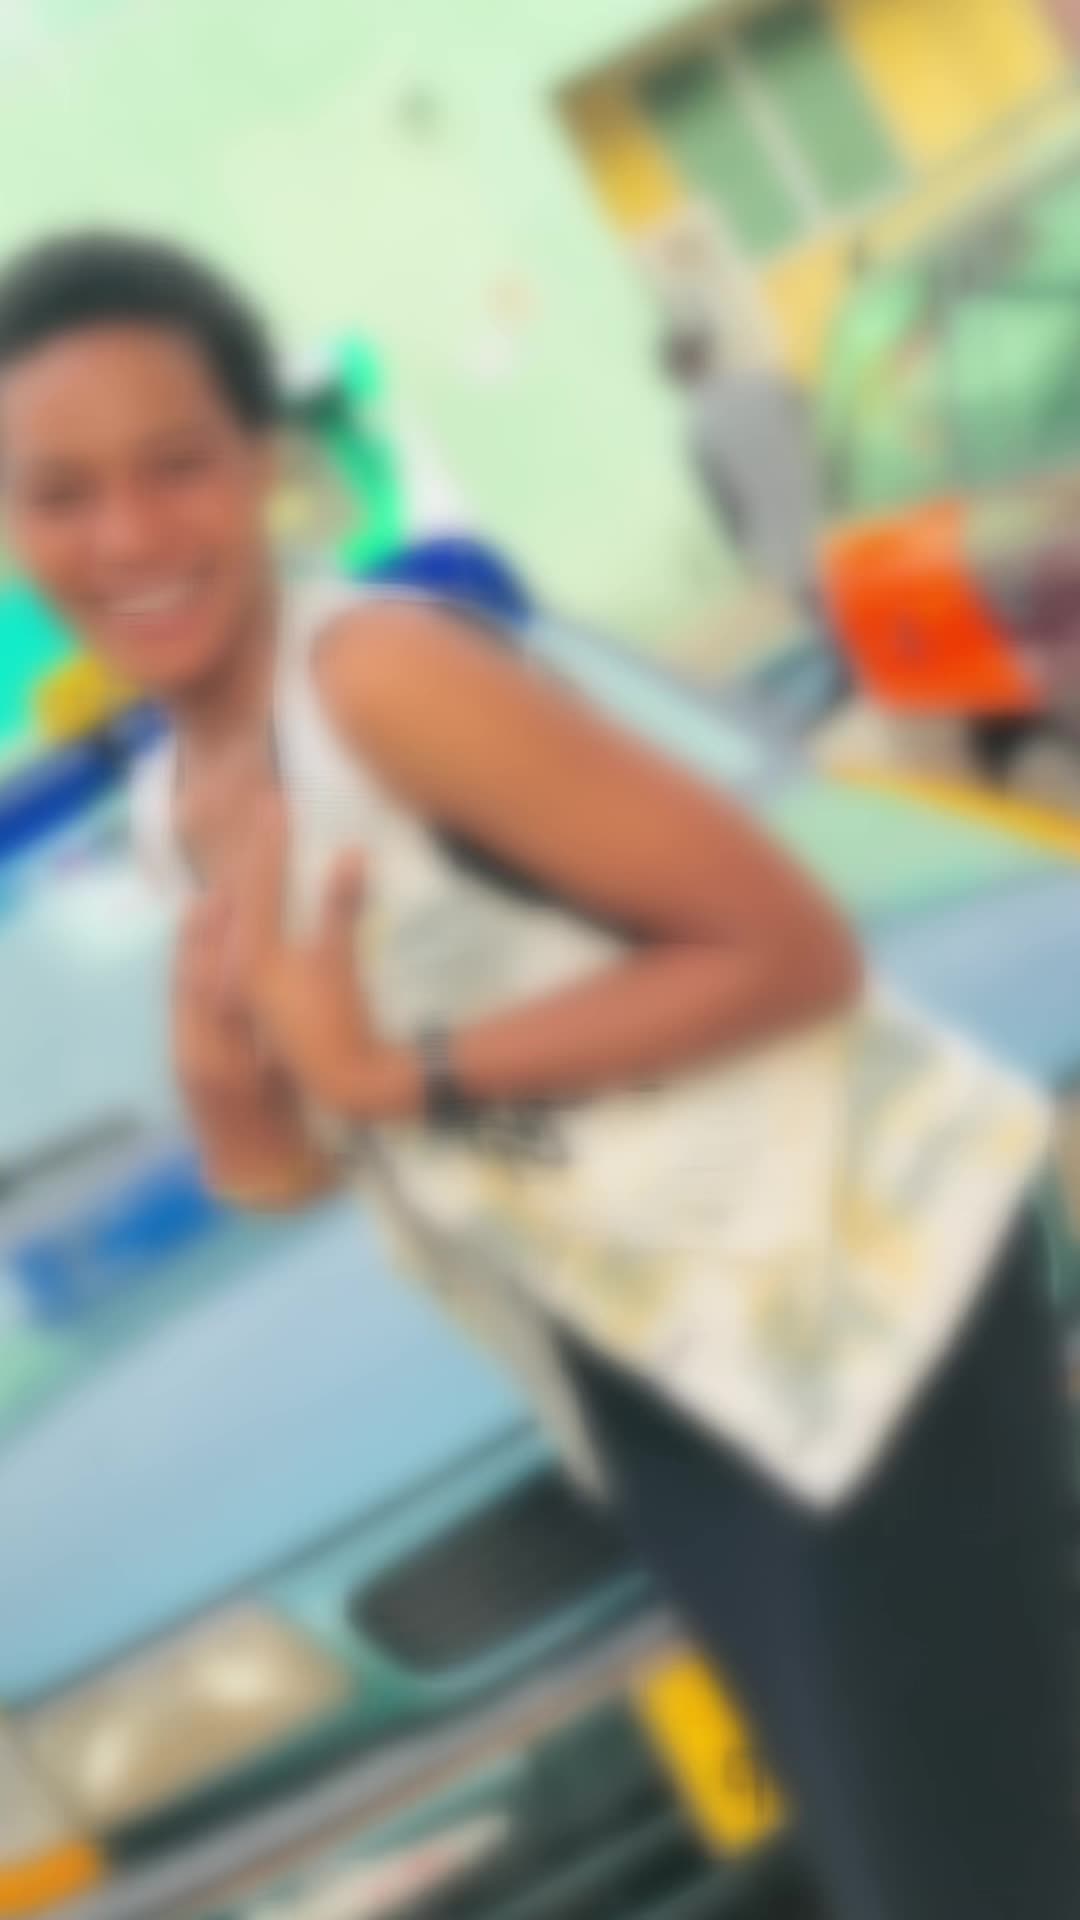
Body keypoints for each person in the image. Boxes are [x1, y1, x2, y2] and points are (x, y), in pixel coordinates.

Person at [0, 232, 1074, 1920]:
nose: (127, 535)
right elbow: (315, 1164)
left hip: (857, 1297)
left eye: (176, 465)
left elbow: (787, 948)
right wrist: (237, 1102)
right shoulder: (174, 807)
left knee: (971, 1876)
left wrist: (400, 1070)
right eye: (60, 494)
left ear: (264, 464)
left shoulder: (382, 678)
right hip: (657, 1381)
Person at [661, 320, 825, 617]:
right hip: (833, 523)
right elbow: (821, 432)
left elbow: (727, 508)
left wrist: (748, 558)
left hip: (788, 553)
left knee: (833, 627)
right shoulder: (766, 385)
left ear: (678, 376)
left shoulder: (702, 432)